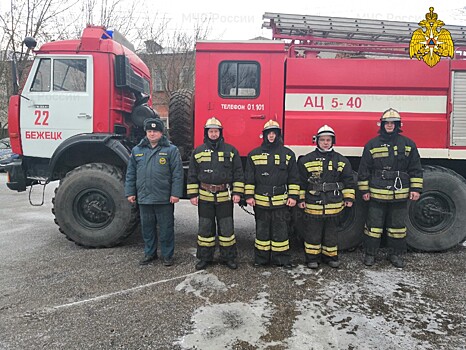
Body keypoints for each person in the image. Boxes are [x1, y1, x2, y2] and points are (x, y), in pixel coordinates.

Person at [358, 108, 423, 268]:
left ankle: (396, 255)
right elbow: (364, 170)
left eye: (393, 123)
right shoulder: (372, 145)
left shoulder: (408, 144)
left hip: (399, 194)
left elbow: (415, 168)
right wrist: (364, 191)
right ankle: (370, 254)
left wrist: (415, 189)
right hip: (377, 193)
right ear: (382, 125)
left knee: (397, 228)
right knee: (373, 226)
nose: (389, 125)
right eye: (387, 123)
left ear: (398, 125)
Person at [187, 117, 244, 270]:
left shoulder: (231, 151)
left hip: (224, 196)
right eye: (211, 131)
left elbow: (238, 173)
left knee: (227, 229)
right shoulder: (198, 151)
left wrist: (237, 192)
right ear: (207, 133)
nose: (213, 134)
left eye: (216, 131)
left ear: (220, 132)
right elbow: (192, 174)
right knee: (205, 229)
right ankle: (205, 258)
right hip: (205, 197)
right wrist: (193, 195)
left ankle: (229, 258)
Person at [125, 117, 184, 266]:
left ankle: (167, 255)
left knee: (166, 229)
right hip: (144, 198)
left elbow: (177, 174)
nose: (152, 134)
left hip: (163, 198)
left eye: (155, 131)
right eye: (149, 131)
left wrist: (175, 194)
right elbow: (131, 174)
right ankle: (150, 254)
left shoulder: (171, 150)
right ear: (146, 133)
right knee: (147, 229)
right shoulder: (137, 151)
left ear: (161, 133)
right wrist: (130, 192)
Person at [297, 125, 355, 269]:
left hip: (334, 205)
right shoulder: (307, 160)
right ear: (317, 141)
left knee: (331, 234)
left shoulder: (341, 161)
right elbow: (300, 182)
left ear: (332, 141)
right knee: (313, 234)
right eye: (322, 140)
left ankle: (330, 257)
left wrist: (348, 198)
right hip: (313, 205)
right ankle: (312, 258)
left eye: (328, 140)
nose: (325, 142)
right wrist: (301, 199)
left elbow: (348, 180)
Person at [244, 120, 299, 269]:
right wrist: (249, 196)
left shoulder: (287, 154)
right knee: (262, 231)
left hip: (281, 201)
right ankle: (261, 260)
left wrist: (293, 197)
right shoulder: (254, 154)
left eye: (274, 133)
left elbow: (294, 178)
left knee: (281, 232)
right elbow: (249, 177)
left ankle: (281, 260)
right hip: (261, 201)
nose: (272, 136)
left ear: (278, 135)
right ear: (264, 135)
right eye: (269, 133)